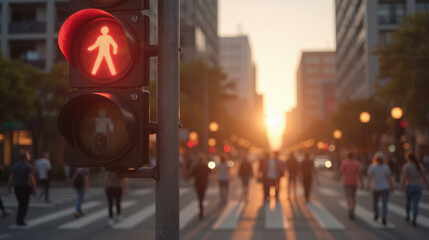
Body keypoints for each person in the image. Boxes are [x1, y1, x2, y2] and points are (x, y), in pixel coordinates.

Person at [7, 151, 37, 226]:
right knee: (24, 204)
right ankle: (20, 220)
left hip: (17, 187)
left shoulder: (15, 166)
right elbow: (31, 178)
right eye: (28, 156)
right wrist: (34, 188)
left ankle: (19, 219)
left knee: (20, 203)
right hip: (25, 187)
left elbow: (11, 178)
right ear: (26, 158)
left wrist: (9, 187)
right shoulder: (28, 166)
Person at [402, 152, 429, 227]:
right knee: (415, 204)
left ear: (408, 158)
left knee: (408, 202)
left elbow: (405, 177)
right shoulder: (420, 166)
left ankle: (408, 215)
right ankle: (414, 218)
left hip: (409, 186)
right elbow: (424, 177)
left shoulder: (407, 166)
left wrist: (403, 185)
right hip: (418, 186)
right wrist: (427, 185)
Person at [366, 152, 394, 226]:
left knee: (375, 202)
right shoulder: (386, 167)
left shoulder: (372, 166)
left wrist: (368, 185)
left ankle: (376, 214)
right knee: (384, 203)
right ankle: (384, 217)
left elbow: (370, 177)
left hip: (375, 187)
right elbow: (389, 178)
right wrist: (391, 186)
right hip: (385, 187)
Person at [338, 151, 364, 220]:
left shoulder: (344, 163)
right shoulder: (356, 163)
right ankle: (352, 209)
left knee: (349, 197)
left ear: (347, 156)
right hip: (354, 182)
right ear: (353, 156)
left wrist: (338, 178)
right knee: (353, 197)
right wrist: (362, 183)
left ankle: (350, 209)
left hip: (346, 183)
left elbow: (341, 172)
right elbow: (360, 174)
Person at [190, 154, 211, 219]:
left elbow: (191, 174)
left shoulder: (196, 166)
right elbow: (210, 172)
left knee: (199, 198)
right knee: (202, 197)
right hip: (204, 184)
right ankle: (201, 210)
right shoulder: (205, 166)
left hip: (197, 184)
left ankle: (201, 209)